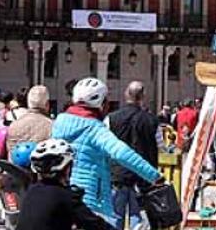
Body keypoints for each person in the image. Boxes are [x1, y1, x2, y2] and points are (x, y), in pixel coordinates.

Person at [51, 77, 161, 221]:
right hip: (90, 196)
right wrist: (154, 176)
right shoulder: (94, 128)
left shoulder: (59, 122)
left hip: (63, 191)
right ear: (100, 103)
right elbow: (121, 152)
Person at [0, 85, 54, 230]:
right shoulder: (51, 126)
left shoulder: (15, 125)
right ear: (46, 104)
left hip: (12, 179)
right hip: (37, 182)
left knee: (12, 226)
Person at [107, 81, 160, 230]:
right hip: (143, 178)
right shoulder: (152, 120)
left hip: (118, 175)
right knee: (138, 219)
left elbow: (104, 144)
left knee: (115, 218)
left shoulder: (112, 118)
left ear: (126, 95)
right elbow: (161, 146)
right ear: (143, 96)